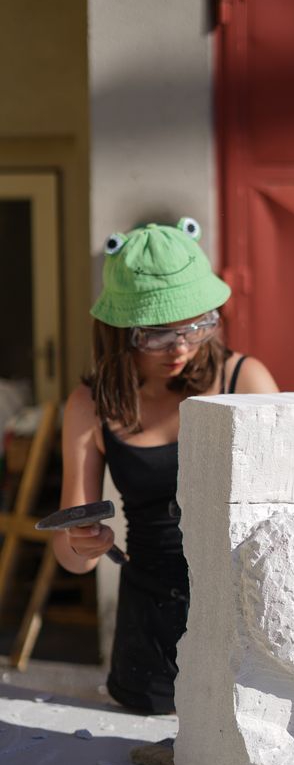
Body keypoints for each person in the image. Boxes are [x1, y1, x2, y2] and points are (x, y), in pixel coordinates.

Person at [54, 217, 278, 714]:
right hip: (151, 623)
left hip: (244, 611)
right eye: (156, 333)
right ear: (117, 331)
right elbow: (73, 557)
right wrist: (81, 542)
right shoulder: (90, 404)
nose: (180, 346)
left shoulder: (245, 380)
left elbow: (292, 511)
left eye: (197, 325)